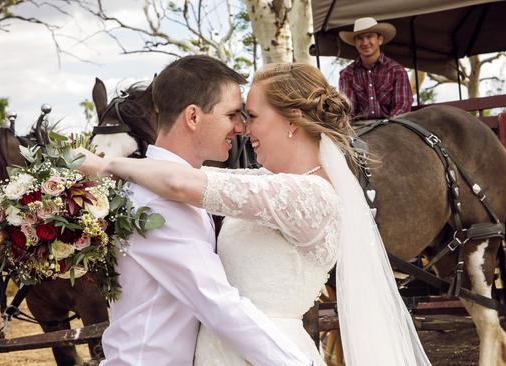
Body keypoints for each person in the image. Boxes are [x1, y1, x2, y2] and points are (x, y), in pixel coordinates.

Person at [83, 63, 431, 365]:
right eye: (237, 116)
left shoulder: (309, 196)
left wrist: (108, 164)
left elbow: (181, 183)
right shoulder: (263, 183)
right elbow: (187, 178)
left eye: (250, 116)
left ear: (292, 121)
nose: (243, 130)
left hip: (269, 351)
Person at [81, 55, 314, 365]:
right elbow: (217, 304)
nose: (240, 127)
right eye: (231, 114)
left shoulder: (172, 184)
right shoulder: (158, 203)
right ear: (193, 117)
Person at [338, 17, 413, 121]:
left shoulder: (396, 71)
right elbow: (348, 111)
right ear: (355, 43)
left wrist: (387, 128)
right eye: (360, 38)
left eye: (369, 37)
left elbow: (402, 107)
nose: (365, 43)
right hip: (361, 130)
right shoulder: (347, 74)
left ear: (380, 40)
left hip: (393, 127)